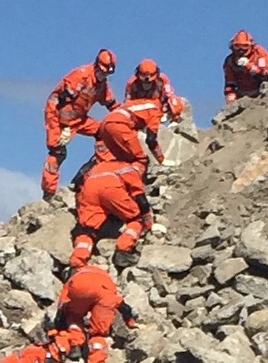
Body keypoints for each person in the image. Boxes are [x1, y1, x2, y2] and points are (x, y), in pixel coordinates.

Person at [42, 50, 118, 198]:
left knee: (103, 132)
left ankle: (101, 166)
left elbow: (111, 103)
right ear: (96, 65)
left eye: (106, 74)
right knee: (57, 152)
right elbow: (62, 103)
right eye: (101, 72)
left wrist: (125, 116)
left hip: (79, 118)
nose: (103, 76)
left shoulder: (102, 85)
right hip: (57, 116)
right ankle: (48, 193)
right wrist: (64, 127)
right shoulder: (80, 76)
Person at [47, 264, 137, 363]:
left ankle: (75, 345)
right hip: (105, 291)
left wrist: (59, 321)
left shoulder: (76, 275)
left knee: (74, 316)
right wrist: (130, 321)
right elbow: (121, 304)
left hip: (81, 286)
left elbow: (64, 301)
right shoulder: (106, 277)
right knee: (99, 333)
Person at [71, 156, 152, 268]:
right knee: (135, 219)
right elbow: (141, 199)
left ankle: (77, 263)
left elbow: (78, 186)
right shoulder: (131, 168)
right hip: (110, 188)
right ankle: (123, 251)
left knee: (88, 229)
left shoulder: (98, 166)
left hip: (89, 189)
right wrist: (147, 223)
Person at [124, 59, 187, 130]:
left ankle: (175, 121)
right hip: (140, 109)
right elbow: (127, 102)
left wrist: (168, 108)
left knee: (174, 100)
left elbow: (169, 94)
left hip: (158, 107)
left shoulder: (162, 79)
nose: (147, 79)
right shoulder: (132, 83)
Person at [223, 31, 268, 102]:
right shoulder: (230, 61)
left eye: (245, 46)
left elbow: (265, 75)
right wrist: (230, 98)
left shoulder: (259, 54)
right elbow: (230, 83)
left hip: (260, 92)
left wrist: (249, 66)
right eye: (237, 46)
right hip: (242, 96)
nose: (241, 50)